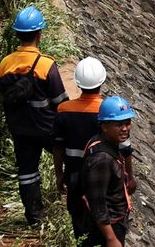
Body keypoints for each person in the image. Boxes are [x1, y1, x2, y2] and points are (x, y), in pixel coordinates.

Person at [0, 6, 67, 225]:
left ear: (17, 34)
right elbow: (60, 101)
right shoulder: (46, 64)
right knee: (72, 158)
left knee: (27, 171)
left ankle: (34, 216)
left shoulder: (5, 64)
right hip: (46, 128)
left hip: (19, 128)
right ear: (39, 34)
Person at [56, 58, 128, 241]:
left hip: (74, 176)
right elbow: (125, 149)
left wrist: (59, 174)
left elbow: (58, 146)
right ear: (102, 81)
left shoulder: (64, 109)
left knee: (81, 227)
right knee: (104, 220)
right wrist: (130, 177)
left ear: (78, 83)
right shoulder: (108, 111)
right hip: (105, 178)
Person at [81, 96, 136, 246]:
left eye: (127, 123)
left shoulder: (106, 142)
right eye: (119, 125)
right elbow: (97, 203)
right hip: (108, 227)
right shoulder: (101, 159)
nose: (125, 129)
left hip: (115, 220)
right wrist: (111, 238)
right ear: (104, 126)